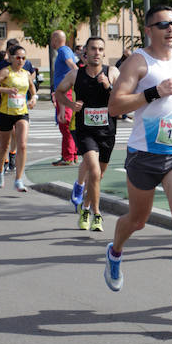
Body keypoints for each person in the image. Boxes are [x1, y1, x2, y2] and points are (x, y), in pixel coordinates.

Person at [106, 4, 172, 319]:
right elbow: (114, 105)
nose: (171, 29)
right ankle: (115, 250)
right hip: (144, 154)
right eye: (163, 24)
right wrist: (153, 93)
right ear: (148, 30)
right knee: (138, 220)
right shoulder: (138, 62)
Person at [56, 36, 119, 232]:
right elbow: (58, 92)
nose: (97, 53)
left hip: (107, 131)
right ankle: (97, 214)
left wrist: (109, 85)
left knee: (98, 176)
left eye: (100, 49)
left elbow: (123, 97)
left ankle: (85, 207)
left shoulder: (112, 72)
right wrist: (69, 105)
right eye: (93, 49)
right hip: (85, 131)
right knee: (94, 170)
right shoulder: (76, 74)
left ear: (104, 53)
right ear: (86, 53)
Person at [0, 44, 37, 191]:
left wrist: (34, 98)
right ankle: (0, 171)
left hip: (21, 112)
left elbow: (33, 90)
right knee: (4, 146)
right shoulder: (5, 72)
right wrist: (5, 90)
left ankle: (19, 179)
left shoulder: (26, 74)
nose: (21, 60)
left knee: (22, 145)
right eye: (18, 57)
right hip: (5, 113)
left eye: (23, 58)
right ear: (12, 58)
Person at [51, 29, 78, 166]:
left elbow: (72, 66)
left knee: (65, 125)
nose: (51, 42)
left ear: (56, 39)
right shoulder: (67, 50)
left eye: (52, 39)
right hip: (65, 91)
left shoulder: (63, 51)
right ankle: (71, 155)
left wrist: (77, 77)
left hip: (65, 91)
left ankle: (68, 157)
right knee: (67, 125)